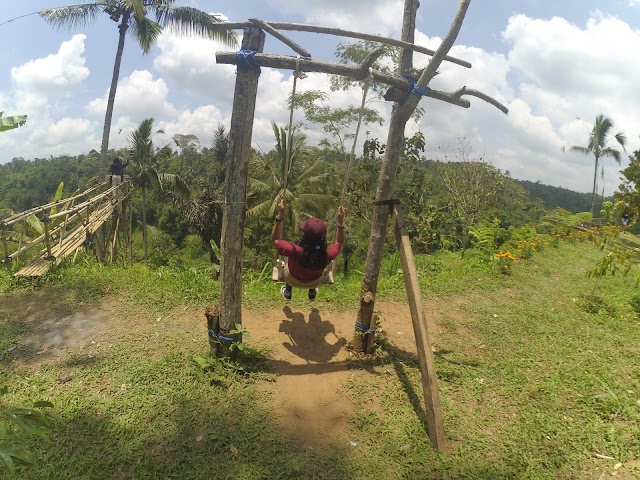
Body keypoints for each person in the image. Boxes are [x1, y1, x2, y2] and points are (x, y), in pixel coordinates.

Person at [272, 199, 345, 301]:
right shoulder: (327, 254)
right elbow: (339, 242)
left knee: (288, 258)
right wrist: (340, 222)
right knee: (316, 262)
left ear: (305, 235)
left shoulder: (295, 251)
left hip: (292, 279)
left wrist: (280, 216)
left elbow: (274, 239)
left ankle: (288, 291)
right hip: (314, 282)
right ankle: (312, 292)